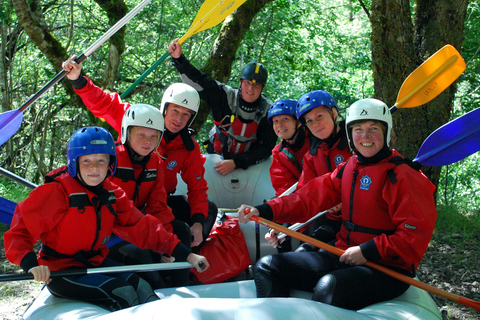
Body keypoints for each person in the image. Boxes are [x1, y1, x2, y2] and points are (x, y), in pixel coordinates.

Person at [238, 98, 437, 310]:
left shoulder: (404, 175)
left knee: (328, 287)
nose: (365, 136)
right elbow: (308, 198)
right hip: (345, 253)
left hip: (388, 267)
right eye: (358, 129)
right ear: (350, 134)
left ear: (386, 132)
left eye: (374, 129)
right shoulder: (349, 167)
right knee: (267, 267)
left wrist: (366, 251)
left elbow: (413, 237)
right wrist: (265, 210)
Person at [4, 127, 209, 311]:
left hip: (96, 261)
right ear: (74, 163)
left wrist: (187, 255)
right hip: (61, 269)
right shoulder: (56, 192)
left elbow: (143, 227)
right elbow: (20, 231)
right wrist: (31, 264)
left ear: (110, 164)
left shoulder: (112, 193)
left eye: (101, 161)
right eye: (87, 161)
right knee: (124, 292)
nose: (94, 168)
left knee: (143, 287)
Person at [61, 57, 216, 260]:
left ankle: (187, 260)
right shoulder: (138, 119)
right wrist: (78, 80)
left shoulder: (189, 148)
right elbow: (104, 104)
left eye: (186, 115)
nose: (178, 119)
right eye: (175, 111)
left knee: (205, 212)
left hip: (156, 202)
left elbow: (197, 187)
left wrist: (197, 222)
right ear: (165, 108)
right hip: (122, 206)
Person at [167, 39, 277, 175]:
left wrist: (237, 162)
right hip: (216, 158)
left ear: (262, 88)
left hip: (247, 164)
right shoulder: (224, 96)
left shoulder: (269, 111)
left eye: (256, 85)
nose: (250, 89)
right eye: (247, 83)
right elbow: (198, 81)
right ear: (241, 82)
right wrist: (178, 59)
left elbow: (266, 148)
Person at [265, 90, 352, 250]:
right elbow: (302, 193)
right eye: (310, 121)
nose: (316, 124)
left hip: (355, 220)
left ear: (333, 113)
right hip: (327, 215)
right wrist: (279, 222)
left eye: (319, 117)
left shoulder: (354, 141)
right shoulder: (312, 153)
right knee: (299, 252)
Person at [267, 99, 310, 197]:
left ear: (299, 122)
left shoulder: (316, 142)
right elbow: (283, 187)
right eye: (275, 121)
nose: (279, 125)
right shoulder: (278, 152)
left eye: (285, 119)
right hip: (300, 199)